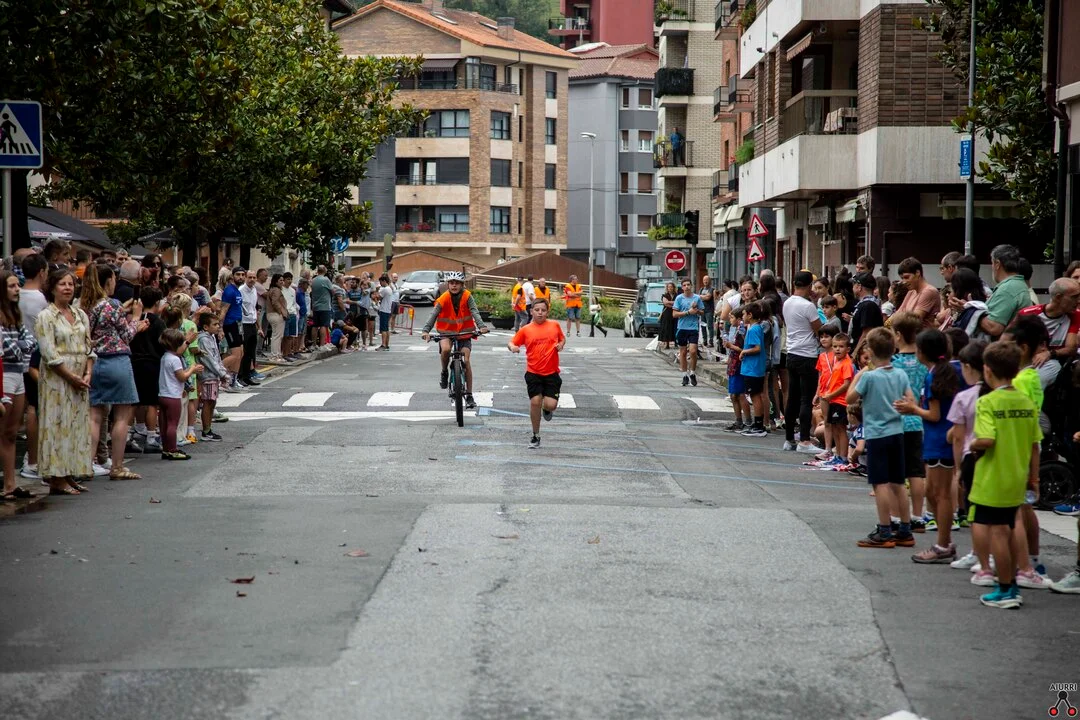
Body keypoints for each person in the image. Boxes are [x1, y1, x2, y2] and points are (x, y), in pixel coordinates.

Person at [967, 341, 1041, 608]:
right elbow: (1034, 445)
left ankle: (1006, 589)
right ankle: (1014, 581)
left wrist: (973, 444)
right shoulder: (1026, 402)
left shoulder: (987, 402)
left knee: (997, 533)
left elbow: (987, 439)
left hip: (992, 478)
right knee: (1009, 529)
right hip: (1017, 476)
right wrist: (1034, 479)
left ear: (987, 370)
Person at [846, 327, 916, 548]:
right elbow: (911, 400)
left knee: (880, 484)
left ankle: (884, 530)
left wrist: (859, 375)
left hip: (877, 434)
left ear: (871, 351)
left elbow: (850, 398)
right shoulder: (900, 374)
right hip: (897, 432)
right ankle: (905, 529)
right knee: (898, 483)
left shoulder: (869, 377)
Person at [896, 329, 960, 563]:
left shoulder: (935, 376)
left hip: (940, 440)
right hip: (936, 440)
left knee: (940, 495)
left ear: (922, 352)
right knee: (933, 493)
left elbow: (934, 415)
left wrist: (912, 409)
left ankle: (943, 544)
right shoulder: (947, 371)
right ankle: (944, 541)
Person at [82, 264, 145, 480]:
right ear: (108, 280)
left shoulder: (84, 305)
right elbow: (126, 335)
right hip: (116, 360)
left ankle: (87, 464)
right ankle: (117, 466)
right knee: (121, 417)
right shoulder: (112, 304)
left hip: (93, 361)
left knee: (94, 416)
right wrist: (136, 318)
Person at [36, 269, 94, 495]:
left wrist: (88, 373)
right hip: (57, 379)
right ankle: (56, 478)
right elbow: (48, 353)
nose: (68, 288)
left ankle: (69, 473)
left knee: (76, 425)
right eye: (62, 284)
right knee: (57, 425)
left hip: (80, 376)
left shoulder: (80, 314)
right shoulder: (46, 316)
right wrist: (71, 377)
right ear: (52, 288)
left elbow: (89, 346)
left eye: (70, 284)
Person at [947, 340, 989, 575]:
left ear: (968, 367)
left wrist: (958, 468)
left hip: (970, 455)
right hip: (993, 457)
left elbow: (958, 437)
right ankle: (986, 554)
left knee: (975, 510)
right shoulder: (997, 395)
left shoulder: (965, 397)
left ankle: (979, 553)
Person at [421, 271, 489, 409]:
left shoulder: (467, 296)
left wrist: (481, 326)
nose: (454, 286)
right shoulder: (443, 298)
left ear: (462, 285)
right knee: (446, 349)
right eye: (451, 283)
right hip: (446, 332)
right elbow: (433, 314)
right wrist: (426, 330)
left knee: (466, 361)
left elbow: (474, 311)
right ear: (448, 284)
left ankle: (469, 395)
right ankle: (444, 372)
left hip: (465, 333)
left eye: (457, 283)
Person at [891, 311, 930, 532]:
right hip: (919, 421)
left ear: (898, 335)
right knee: (916, 472)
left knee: (896, 473)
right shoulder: (925, 363)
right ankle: (918, 516)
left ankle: (897, 516)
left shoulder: (893, 364)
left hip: (896, 422)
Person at [508, 298, 565, 449]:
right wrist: (513, 347)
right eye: (537, 310)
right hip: (533, 373)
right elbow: (512, 342)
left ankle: (547, 409)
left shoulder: (554, 325)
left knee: (551, 405)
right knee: (535, 402)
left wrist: (560, 345)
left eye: (543, 310)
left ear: (547, 312)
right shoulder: (526, 329)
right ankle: (535, 435)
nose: (540, 313)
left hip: (551, 373)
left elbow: (562, 339)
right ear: (531, 311)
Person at [0, 270, 33, 501]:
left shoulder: (15, 314)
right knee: (3, 430)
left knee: (11, 432)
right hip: (5, 375)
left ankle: (10, 484)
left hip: (18, 374)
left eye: (17, 285)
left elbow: (30, 341)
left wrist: (20, 346)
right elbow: (7, 348)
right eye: (11, 286)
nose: (17, 289)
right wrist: (20, 346)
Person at [783, 271, 824, 453]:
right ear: (809, 286)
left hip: (791, 352)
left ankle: (789, 439)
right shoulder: (808, 306)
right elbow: (819, 329)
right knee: (806, 399)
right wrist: (814, 302)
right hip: (807, 354)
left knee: (792, 397)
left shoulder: (787, 303)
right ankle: (805, 440)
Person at [1016, 277, 1080, 389]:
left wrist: (1050, 353)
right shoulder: (1027, 313)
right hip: (1023, 361)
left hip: (1051, 364)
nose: (1078, 301)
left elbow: (1071, 348)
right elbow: (1007, 340)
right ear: (1058, 297)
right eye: (1074, 297)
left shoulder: (1075, 315)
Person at [18, 253, 48, 480]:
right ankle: (33, 460)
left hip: (18, 358)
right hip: (35, 358)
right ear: (42, 272)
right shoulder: (39, 299)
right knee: (35, 409)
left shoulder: (16, 294)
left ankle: (32, 459)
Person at [158, 328, 203, 461]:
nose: (184, 345)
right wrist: (192, 369)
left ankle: (166, 448)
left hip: (163, 394)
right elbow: (182, 377)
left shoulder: (165, 357)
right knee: (173, 424)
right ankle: (173, 449)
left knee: (164, 424)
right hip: (173, 396)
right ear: (176, 345)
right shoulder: (175, 360)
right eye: (183, 343)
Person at [979, 244, 1032, 338]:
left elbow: (994, 328)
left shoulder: (1008, 288)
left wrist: (972, 311)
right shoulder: (1018, 284)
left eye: (992, 263)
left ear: (997, 264)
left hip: (1006, 345)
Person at [819, 332, 855, 464]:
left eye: (841, 346)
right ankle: (838, 455)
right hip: (833, 400)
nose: (837, 349)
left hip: (841, 401)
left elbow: (846, 384)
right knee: (834, 428)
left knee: (841, 429)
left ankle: (843, 456)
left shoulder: (846, 363)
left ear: (848, 349)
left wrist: (831, 395)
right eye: (835, 346)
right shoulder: (838, 362)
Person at [738, 301, 769, 437]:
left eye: (744, 314)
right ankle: (758, 424)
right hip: (754, 368)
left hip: (753, 368)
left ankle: (758, 425)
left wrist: (744, 352)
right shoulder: (755, 328)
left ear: (750, 315)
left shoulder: (754, 329)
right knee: (755, 395)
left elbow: (757, 348)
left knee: (755, 396)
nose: (742, 316)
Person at [195, 313, 225, 441]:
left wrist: (221, 371)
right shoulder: (204, 340)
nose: (218, 326)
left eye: (218, 324)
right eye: (215, 324)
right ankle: (206, 431)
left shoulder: (211, 337)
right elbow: (209, 359)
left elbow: (216, 357)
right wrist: (221, 373)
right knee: (208, 402)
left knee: (212, 401)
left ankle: (208, 429)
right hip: (208, 376)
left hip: (213, 375)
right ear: (206, 327)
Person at [219, 266, 246, 389]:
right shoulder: (229, 291)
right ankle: (216, 372)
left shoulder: (237, 290)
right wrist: (220, 328)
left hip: (238, 324)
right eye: (238, 275)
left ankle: (233, 380)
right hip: (230, 324)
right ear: (232, 276)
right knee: (235, 354)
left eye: (242, 275)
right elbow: (223, 310)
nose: (241, 277)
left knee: (240, 353)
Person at [723, 305, 749, 432]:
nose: (730, 320)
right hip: (733, 364)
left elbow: (743, 349)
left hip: (738, 365)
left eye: (732, 317)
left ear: (739, 319)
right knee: (733, 395)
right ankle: (738, 420)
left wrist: (730, 346)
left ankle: (748, 421)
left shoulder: (742, 331)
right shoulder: (735, 330)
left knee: (740, 394)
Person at [672, 279, 701, 387]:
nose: (687, 287)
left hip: (693, 328)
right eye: (684, 285)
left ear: (691, 286)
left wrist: (696, 309)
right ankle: (684, 375)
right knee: (683, 352)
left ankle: (692, 373)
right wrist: (688, 312)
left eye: (688, 284)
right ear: (682, 287)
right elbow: (674, 314)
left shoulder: (697, 298)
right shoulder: (679, 298)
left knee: (693, 351)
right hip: (682, 328)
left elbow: (702, 311)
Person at [897, 257, 941, 328]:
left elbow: (913, 321)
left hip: (923, 334)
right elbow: (897, 314)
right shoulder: (911, 292)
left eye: (906, 277)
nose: (904, 282)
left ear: (917, 273)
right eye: (902, 278)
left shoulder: (929, 291)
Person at [238, 270, 263, 386]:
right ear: (246, 278)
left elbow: (254, 309)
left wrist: (259, 327)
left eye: (254, 277)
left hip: (252, 322)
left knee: (250, 352)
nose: (252, 280)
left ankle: (247, 376)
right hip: (244, 323)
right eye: (249, 277)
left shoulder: (254, 290)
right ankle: (240, 376)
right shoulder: (241, 290)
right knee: (244, 351)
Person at [848, 272, 883, 346]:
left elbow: (866, 333)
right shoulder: (866, 304)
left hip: (864, 350)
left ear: (859, 286)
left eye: (853, 284)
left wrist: (856, 351)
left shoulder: (868, 305)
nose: (852, 288)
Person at [265, 273, 288, 362]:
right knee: (277, 336)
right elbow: (275, 302)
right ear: (276, 281)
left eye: (282, 280)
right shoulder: (276, 290)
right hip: (275, 314)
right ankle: (275, 355)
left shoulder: (272, 289)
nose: (282, 282)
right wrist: (281, 312)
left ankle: (277, 354)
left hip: (272, 314)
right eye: (280, 280)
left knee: (277, 335)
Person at [309, 265, 333, 347]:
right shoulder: (326, 280)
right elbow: (332, 291)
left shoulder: (313, 280)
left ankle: (314, 344)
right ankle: (322, 344)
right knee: (323, 325)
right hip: (325, 306)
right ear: (324, 270)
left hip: (315, 306)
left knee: (315, 325)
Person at [376, 274, 394, 351]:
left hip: (384, 310)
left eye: (381, 282)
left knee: (383, 329)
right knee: (386, 329)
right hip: (388, 310)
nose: (380, 284)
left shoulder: (385, 289)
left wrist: (377, 290)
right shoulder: (389, 289)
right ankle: (386, 344)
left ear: (384, 281)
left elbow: (378, 297)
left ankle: (383, 345)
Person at [698, 275, 716, 348]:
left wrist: (702, 296)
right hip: (702, 310)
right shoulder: (701, 289)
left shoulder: (712, 289)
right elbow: (698, 298)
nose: (705, 281)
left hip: (709, 310)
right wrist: (704, 297)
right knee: (703, 326)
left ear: (710, 281)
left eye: (707, 280)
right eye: (704, 280)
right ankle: (704, 341)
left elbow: (708, 297)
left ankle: (711, 342)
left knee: (710, 326)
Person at [658, 281, 677, 349]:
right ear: (667, 288)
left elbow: (678, 302)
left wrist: (670, 302)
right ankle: (666, 343)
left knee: (674, 327)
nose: (670, 288)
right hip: (667, 314)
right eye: (669, 287)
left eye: (671, 287)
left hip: (675, 313)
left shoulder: (677, 295)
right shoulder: (665, 295)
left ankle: (676, 342)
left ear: (674, 288)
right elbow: (665, 303)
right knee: (666, 328)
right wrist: (674, 304)